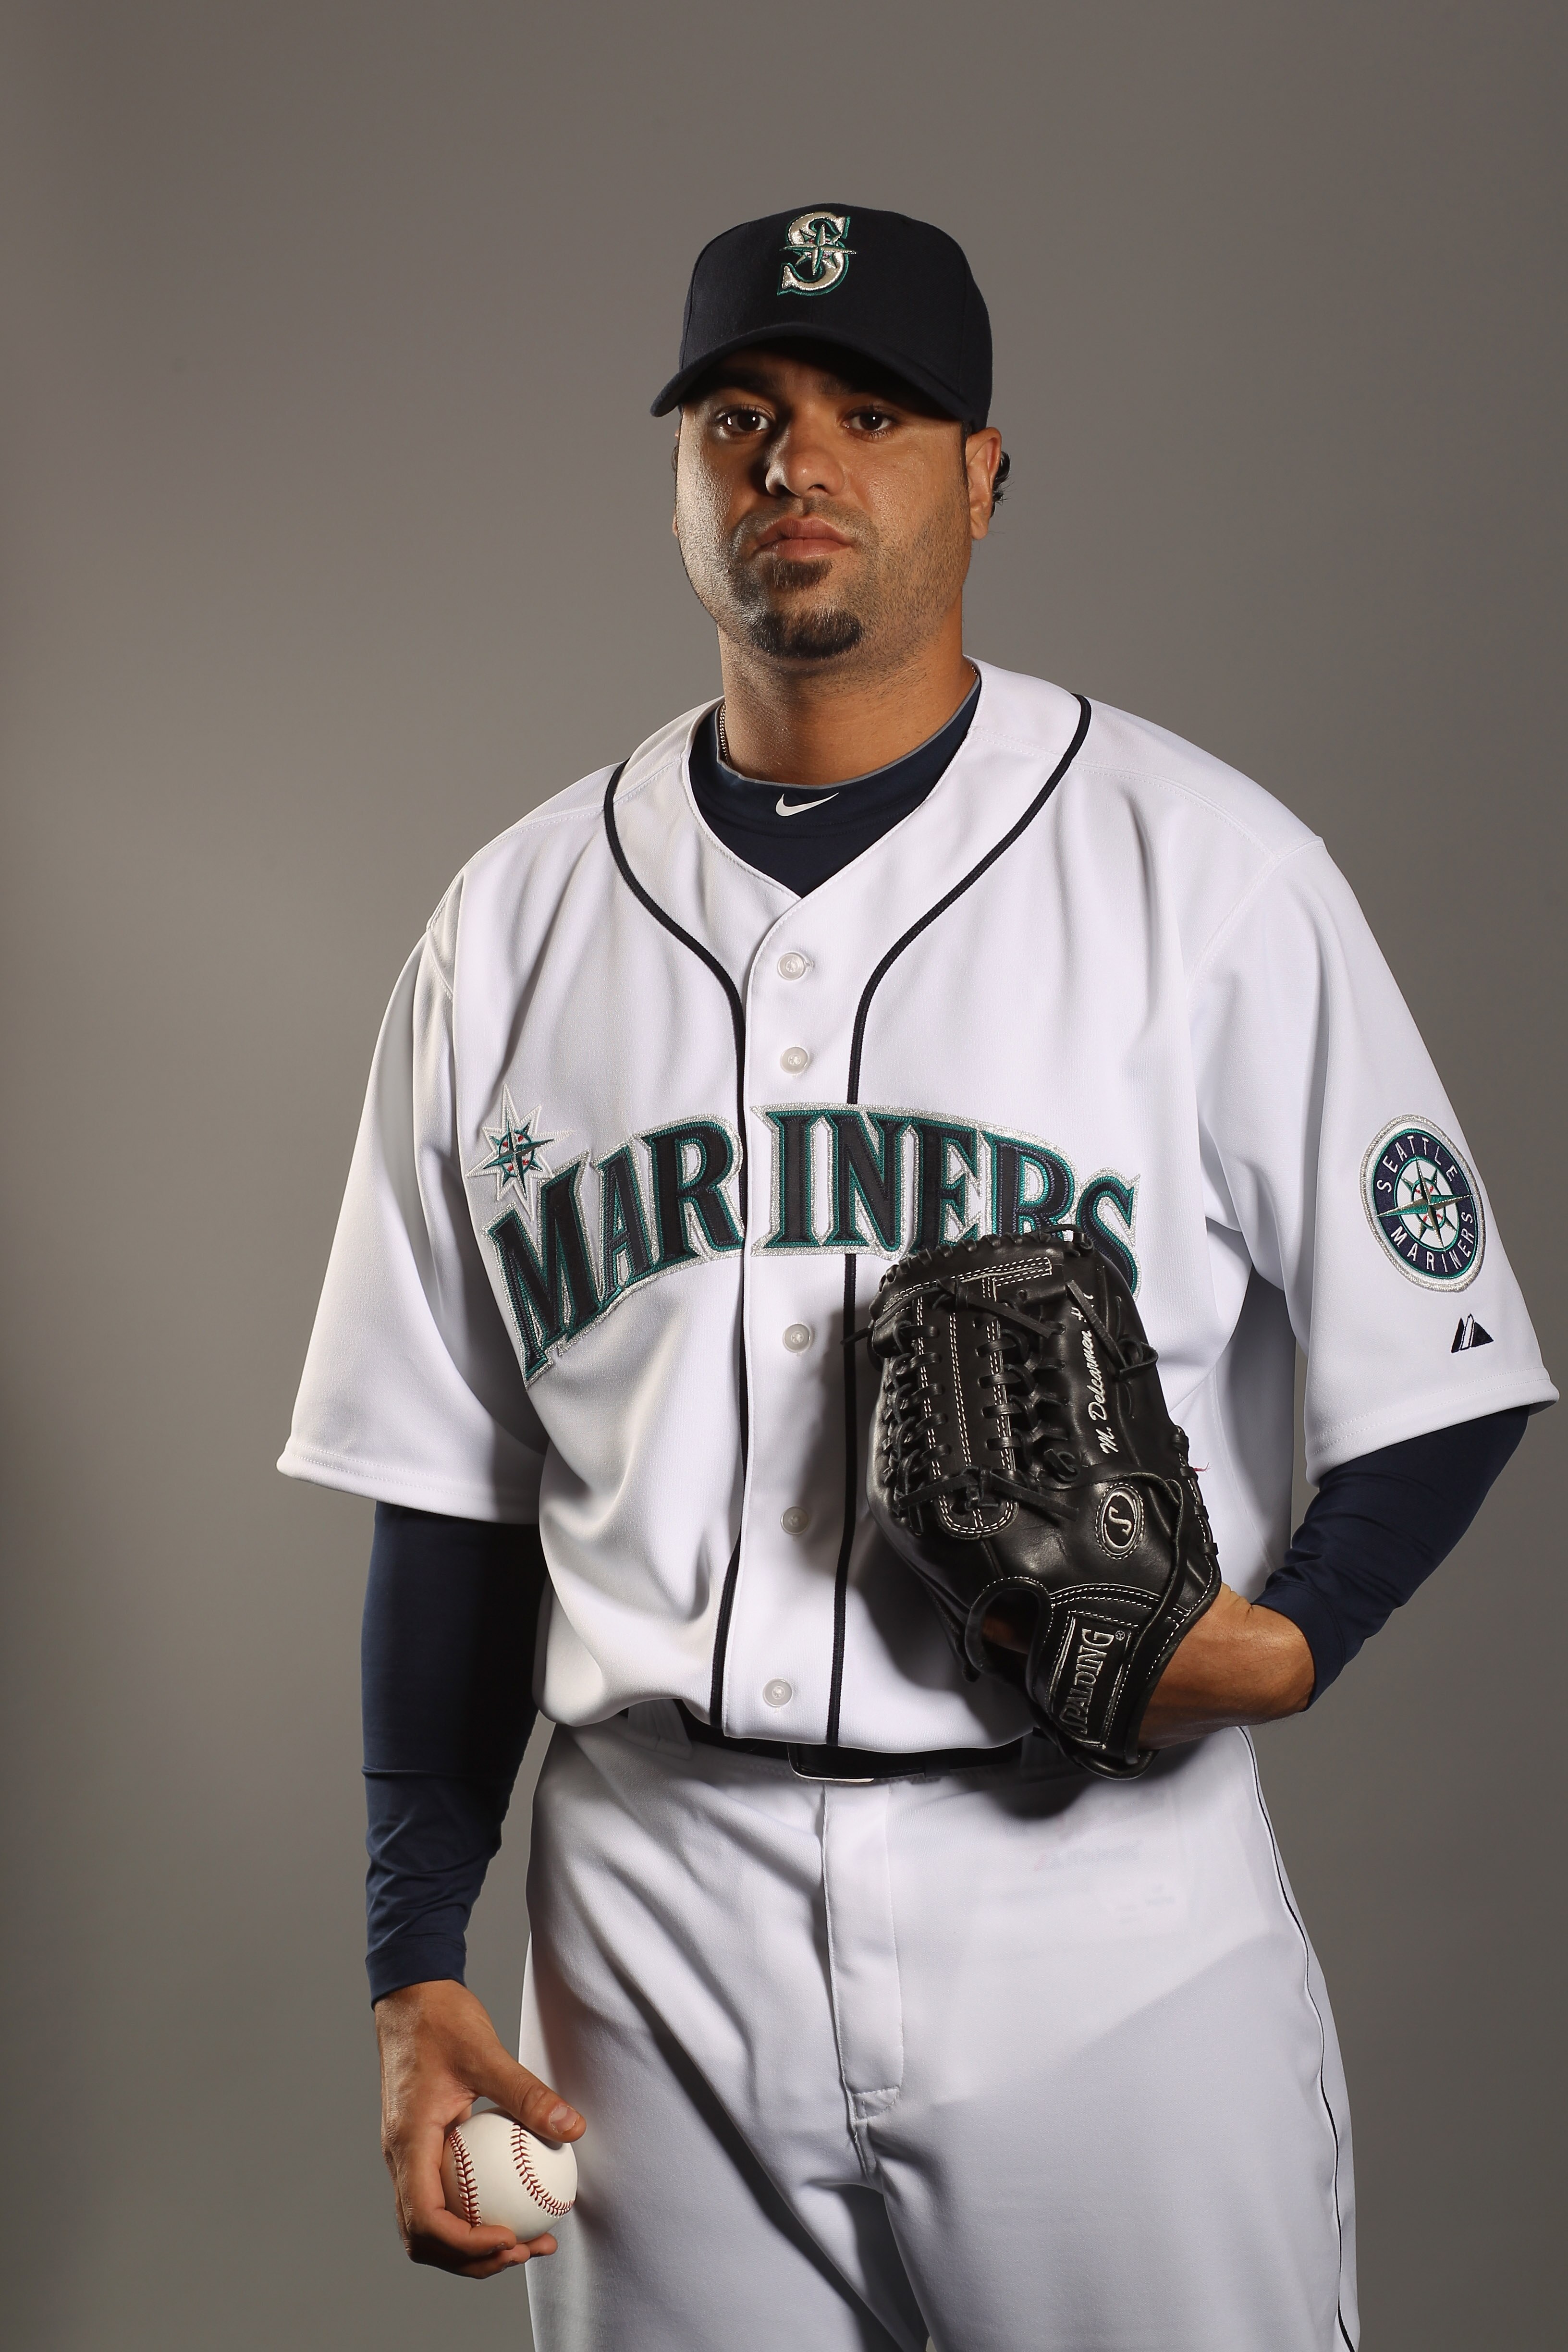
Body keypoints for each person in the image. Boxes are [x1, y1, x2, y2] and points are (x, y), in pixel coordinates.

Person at [281, 206, 1554, 2350]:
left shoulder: (1213, 876)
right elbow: (453, 1491)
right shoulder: (501, 934)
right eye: (741, 419)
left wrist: (1294, 1642)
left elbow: (1452, 1363)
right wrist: (416, 1962)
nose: (797, 467)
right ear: (683, 473)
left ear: (981, 474)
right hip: (644, 1926)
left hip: (1092, 1904)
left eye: (871, 414)